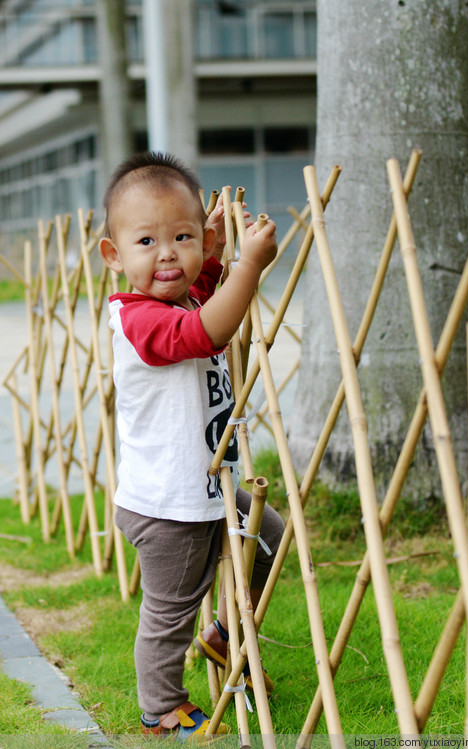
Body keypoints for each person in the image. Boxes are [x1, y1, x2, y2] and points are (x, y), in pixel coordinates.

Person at [99, 152, 285, 739]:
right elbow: (207, 331)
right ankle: (160, 704)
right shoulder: (139, 321)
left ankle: (225, 635)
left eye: (182, 237)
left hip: (210, 485)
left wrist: (217, 249)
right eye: (147, 241)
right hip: (168, 505)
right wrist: (248, 267)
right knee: (170, 610)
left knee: (270, 541)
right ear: (114, 256)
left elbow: (202, 287)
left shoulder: (182, 294)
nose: (167, 254)